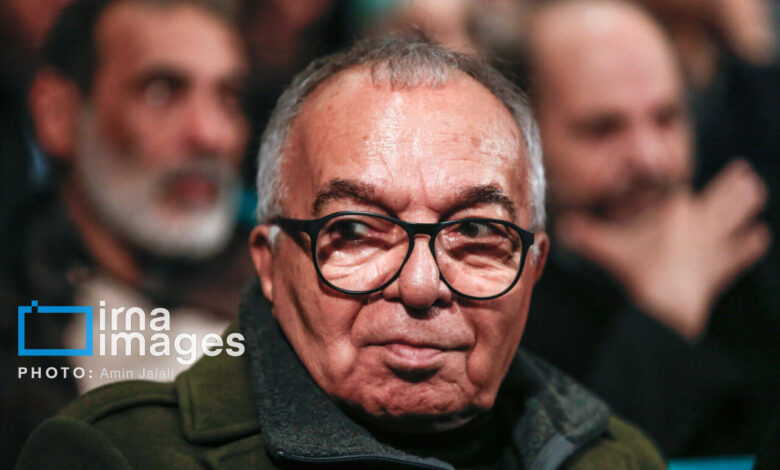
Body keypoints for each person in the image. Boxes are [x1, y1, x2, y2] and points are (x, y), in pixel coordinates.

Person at [16, 35, 665, 470]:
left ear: (534, 268)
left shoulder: (615, 459)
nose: (420, 286)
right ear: (269, 265)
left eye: (475, 234)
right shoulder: (118, 457)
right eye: (354, 232)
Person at [521, 0, 780, 457]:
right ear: (526, 140)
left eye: (667, 118)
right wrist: (666, 317)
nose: (649, 159)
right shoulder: (505, 297)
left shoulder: (754, 251)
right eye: (602, 129)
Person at [2, 0, 252, 466]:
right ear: (57, 114)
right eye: (161, 91)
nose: (211, 135)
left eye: (228, 98)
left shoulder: (286, 298)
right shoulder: (17, 316)